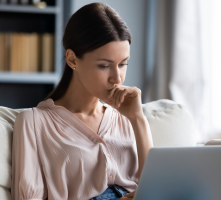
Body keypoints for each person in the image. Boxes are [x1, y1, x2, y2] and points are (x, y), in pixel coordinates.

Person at [11, 2, 153, 200]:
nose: (117, 78)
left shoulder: (127, 117)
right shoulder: (33, 122)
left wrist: (138, 119)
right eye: (104, 66)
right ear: (72, 59)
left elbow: (155, 189)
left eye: (123, 64)